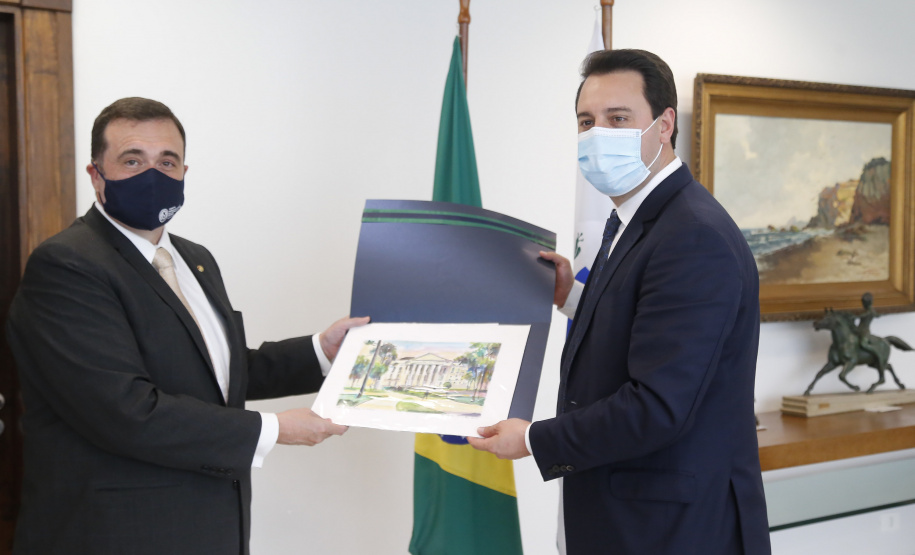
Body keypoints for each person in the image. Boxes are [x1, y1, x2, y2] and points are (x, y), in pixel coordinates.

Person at [6, 97, 368, 554]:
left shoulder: (195, 260)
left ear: (183, 174)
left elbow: (214, 375)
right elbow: (125, 411)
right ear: (96, 176)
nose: (152, 175)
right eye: (132, 160)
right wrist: (274, 429)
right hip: (115, 535)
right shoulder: (67, 265)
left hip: (210, 529)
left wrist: (320, 351)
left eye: (167, 161)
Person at [468, 50, 770, 554]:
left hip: (674, 531)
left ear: (664, 124)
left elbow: (657, 406)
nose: (597, 135)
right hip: (630, 518)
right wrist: (573, 298)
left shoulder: (693, 235)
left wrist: (533, 440)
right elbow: (648, 322)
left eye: (618, 118)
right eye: (586, 122)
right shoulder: (637, 218)